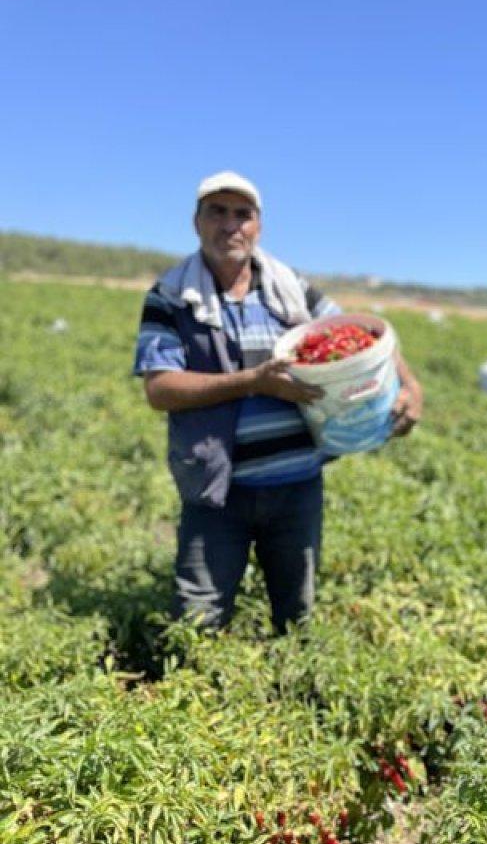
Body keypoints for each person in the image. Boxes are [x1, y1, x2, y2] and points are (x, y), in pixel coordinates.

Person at [133, 171, 423, 633]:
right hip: (218, 491)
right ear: (197, 222)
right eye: (217, 212)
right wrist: (253, 382)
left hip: (297, 485)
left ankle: (291, 693)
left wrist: (410, 388)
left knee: (297, 617)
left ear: (258, 227)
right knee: (198, 619)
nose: (230, 225)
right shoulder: (170, 298)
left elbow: (363, 335)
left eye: (242, 214)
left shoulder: (290, 288)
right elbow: (160, 388)